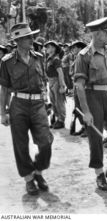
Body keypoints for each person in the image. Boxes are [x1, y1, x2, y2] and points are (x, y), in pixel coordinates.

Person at [74, 17, 107, 191]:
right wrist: (86, 111)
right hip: (93, 98)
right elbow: (79, 86)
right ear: (97, 34)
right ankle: (99, 174)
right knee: (95, 138)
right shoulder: (83, 56)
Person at [0, 23, 53, 195]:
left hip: (38, 104)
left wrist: (47, 102)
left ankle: (38, 170)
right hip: (19, 106)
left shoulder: (39, 57)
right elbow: (5, 89)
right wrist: (3, 112)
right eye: (27, 37)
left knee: (46, 141)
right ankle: (29, 179)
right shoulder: (7, 62)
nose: (32, 39)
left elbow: (43, 82)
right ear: (18, 40)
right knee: (20, 145)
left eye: (31, 36)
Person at [44, 41, 67, 129]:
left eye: (48, 47)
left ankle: (61, 120)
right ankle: (57, 119)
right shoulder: (49, 58)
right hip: (51, 81)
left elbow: (60, 73)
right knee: (53, 102)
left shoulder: (55, 59)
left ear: (53, 48)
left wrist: (62, 85)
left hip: (56, 81)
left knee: (59, 102)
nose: (46, 48)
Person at [70, 41, 87, 137]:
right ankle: (84, 127)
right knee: (77, 107)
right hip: (76, 85)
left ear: (80, 48)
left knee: (82, 107)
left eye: (75, 47)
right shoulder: (77, 58)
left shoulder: (83, 59)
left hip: (81, 86)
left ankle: (87, 128)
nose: (72, 49)